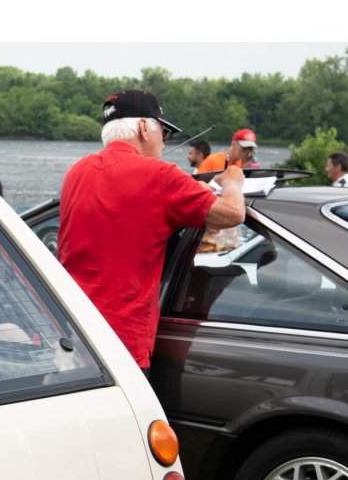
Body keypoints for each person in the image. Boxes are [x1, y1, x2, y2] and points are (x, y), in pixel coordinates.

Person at [57, 89, 245, 376]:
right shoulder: (160, 176)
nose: (163, 141)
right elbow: (232, 215)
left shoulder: (76, 172)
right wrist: (232, 182)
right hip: (123, 344)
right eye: (164, 132)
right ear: (145, 128)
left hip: (72, 331)